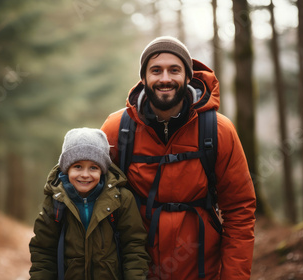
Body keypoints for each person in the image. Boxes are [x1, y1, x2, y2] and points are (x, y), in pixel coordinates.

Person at [101, 36, 256, 279]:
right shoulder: (117, 128)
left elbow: (239, 210)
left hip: (202, 270)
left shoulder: (218, 130)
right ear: (144, 78)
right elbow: (91, 197)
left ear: (188, 76)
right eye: (156, 70)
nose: (165, 79)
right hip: (137, 271)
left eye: (174, 70)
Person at [29, 127, 150, 280]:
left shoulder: (121, 199)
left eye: (93, 167)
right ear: (66, 169)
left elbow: (134, 247)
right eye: (77, 166)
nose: (85, 175)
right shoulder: (55, 201)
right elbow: (43, 251)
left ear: (102, 170)